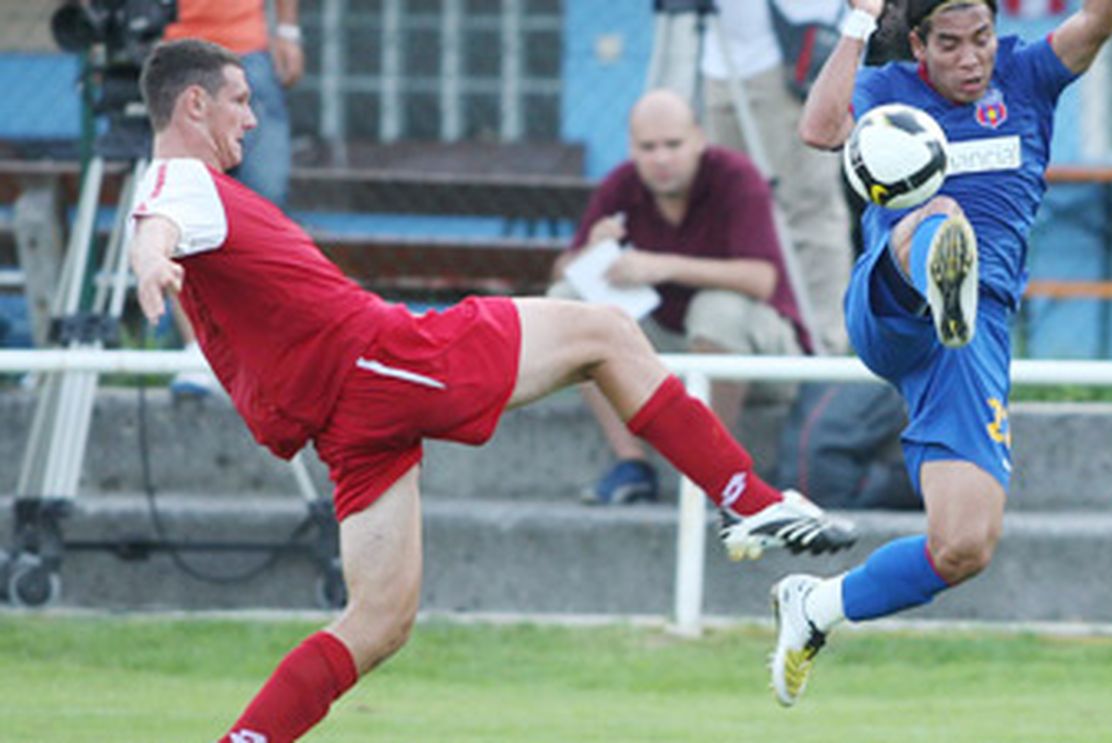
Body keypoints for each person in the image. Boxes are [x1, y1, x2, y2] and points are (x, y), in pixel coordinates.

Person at [128, 39, 857, 741]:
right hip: (383, 360)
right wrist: (150, 260)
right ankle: (748, 501)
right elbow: (155, 224)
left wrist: (157, 253)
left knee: (379, 620)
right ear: (194, 105)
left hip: (348, 418)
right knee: (604, 332)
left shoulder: (186, 192)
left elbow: (159, 222)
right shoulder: (181, 183)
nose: (251, 118)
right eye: (239, 100)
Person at [767, 0, 1112, 706]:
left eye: (981, 39)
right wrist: (857, 23)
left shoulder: (1026, 76)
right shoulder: (888, 88)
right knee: (936, 209)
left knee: (965, 545)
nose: (970, 58)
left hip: (972, 336)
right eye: (951, 44)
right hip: (893, 302)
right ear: (919, 45)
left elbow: (1099, 23)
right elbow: (819, 130)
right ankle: (940, 271)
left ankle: (816, 607)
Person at [551, 89, 809, 506]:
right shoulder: (622, 183)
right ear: (632, 148)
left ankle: (715, 473)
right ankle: (631, 464)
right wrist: (589, 253)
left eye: (673, 144)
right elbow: (562, 275)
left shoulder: (736, 177)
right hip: (669, 352)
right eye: (648, 147)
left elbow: (762, 279)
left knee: (717, 310)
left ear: (699, 140)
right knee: (572, 303)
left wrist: (662, 265)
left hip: (763, 355)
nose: (661, 158)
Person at [700, 0, 854, 355]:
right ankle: (743, 339)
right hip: (718, 59)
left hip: (785, 54)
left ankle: (822, 347)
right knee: (727, 212)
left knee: (806, 206)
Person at [164, 0, 302, 396]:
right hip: (173, 52)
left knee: (266, 206)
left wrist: (288, 30)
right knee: (181, 209)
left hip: (247, 51)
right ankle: (197, 349)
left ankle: (268, 350)